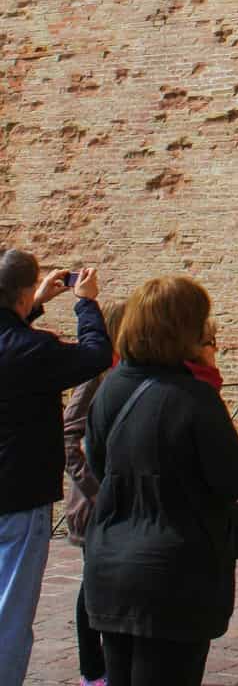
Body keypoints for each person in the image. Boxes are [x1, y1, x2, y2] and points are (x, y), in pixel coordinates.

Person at [83, 275, 238, 686]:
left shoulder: (110, 389)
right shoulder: (194, 398)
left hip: (110, 564)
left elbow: (100, 466)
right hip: (175, 574)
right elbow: (234, 478)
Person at [0, 248, 112, 686]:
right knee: (11, 610)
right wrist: (85, 301)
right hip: (17, 493)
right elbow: (95, 355)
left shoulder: (22, 343)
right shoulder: (33, 349)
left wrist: (34, 304)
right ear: (24, 292)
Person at [63, 298, 128, 686]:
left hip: (119, 500)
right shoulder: (98, 372)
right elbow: (70, 435)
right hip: (96, 504)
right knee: (94, 584)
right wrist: (95, 490)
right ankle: (93, 670)